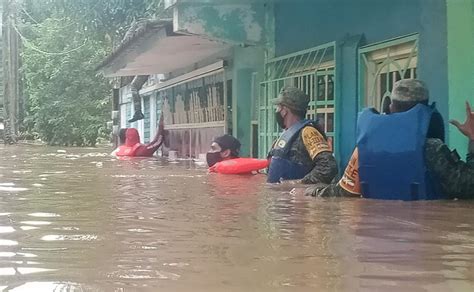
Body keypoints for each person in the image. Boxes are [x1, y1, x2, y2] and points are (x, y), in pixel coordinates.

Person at [309, 79, 474, 200]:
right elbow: (468, 186)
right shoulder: (433, 149)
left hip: (376, 239)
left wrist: (310, 191)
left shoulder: (364, 148)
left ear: (389, 107)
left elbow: (343, 192)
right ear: (425, 109)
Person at [267, 86, 337, 184]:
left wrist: (299, 184)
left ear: (284, 111)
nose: (277, 111)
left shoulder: (308, 132)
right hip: (281, 197)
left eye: (278, 107)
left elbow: (328, 166)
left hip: (298, 197)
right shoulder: (282, 139)